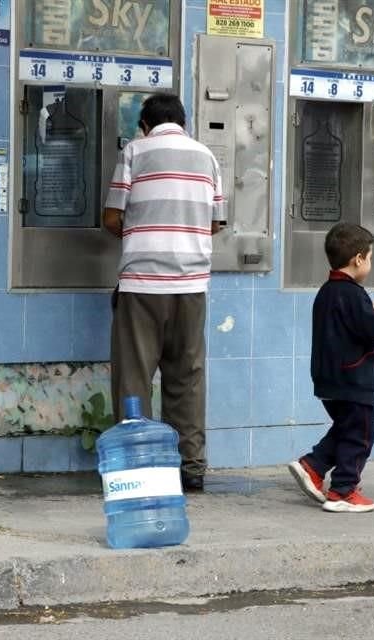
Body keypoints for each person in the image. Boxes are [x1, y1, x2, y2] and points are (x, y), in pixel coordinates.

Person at [102, 94, 225, 492]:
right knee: (187, 378)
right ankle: (190, 469)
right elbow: (217, 222)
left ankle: (138, 470)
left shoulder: (135, 151)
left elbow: (111, 217)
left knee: (134, 378)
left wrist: (140, 233)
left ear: (144, 124)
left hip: (142, 284)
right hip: (191, 286)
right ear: (183, 123)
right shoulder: (206, 156)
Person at [287, 222, 374, 513]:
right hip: (353, 380)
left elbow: (355, 326)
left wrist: (373, 313)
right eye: (369, 258)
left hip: (328, 380)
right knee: (361, 435)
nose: (369, 263)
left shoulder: (327, 292)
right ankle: (343, 490)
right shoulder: (353, 294)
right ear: (358, 259)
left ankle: (313, 466)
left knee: (346, 428)